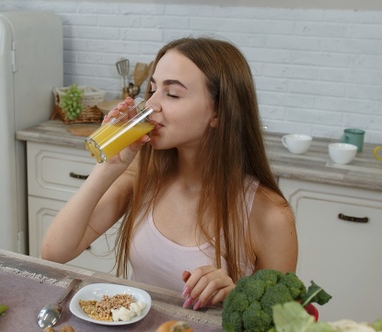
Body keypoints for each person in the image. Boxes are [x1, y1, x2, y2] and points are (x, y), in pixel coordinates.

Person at [41, 37, 297, 310]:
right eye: (152, 90)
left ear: (218, 113)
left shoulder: (270, 215)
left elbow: (282, 322)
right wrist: (108, 167)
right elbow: (55, 253)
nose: (151, 105)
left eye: (172, 94)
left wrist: (236, 298)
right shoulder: (143, 174)